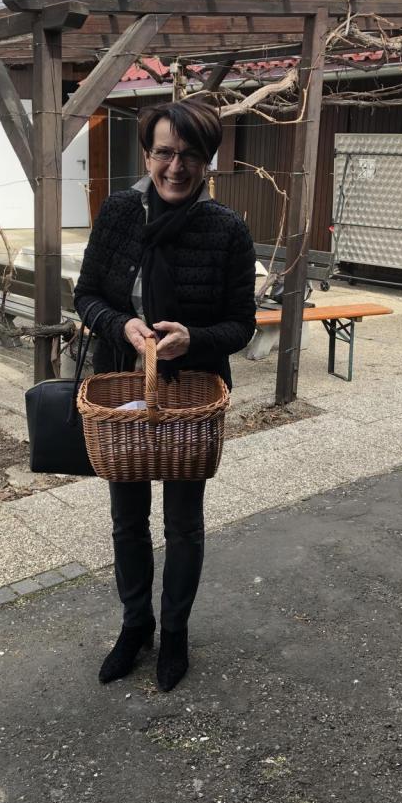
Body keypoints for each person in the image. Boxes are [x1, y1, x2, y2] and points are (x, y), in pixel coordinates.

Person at [74, 99, 256, 692]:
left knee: (183, 525)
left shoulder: (226, 229)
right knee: (127, 522)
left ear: (208, 161)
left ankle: (174, 632)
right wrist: (119, 324)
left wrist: (193, 339)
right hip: (122, 392)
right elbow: (86, 295)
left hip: (188, 399)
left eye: (190, 156)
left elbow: (242, 324)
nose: (176, 167)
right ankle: (136, 627)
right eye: (164, 153)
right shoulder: (119, 213)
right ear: (147, 153)